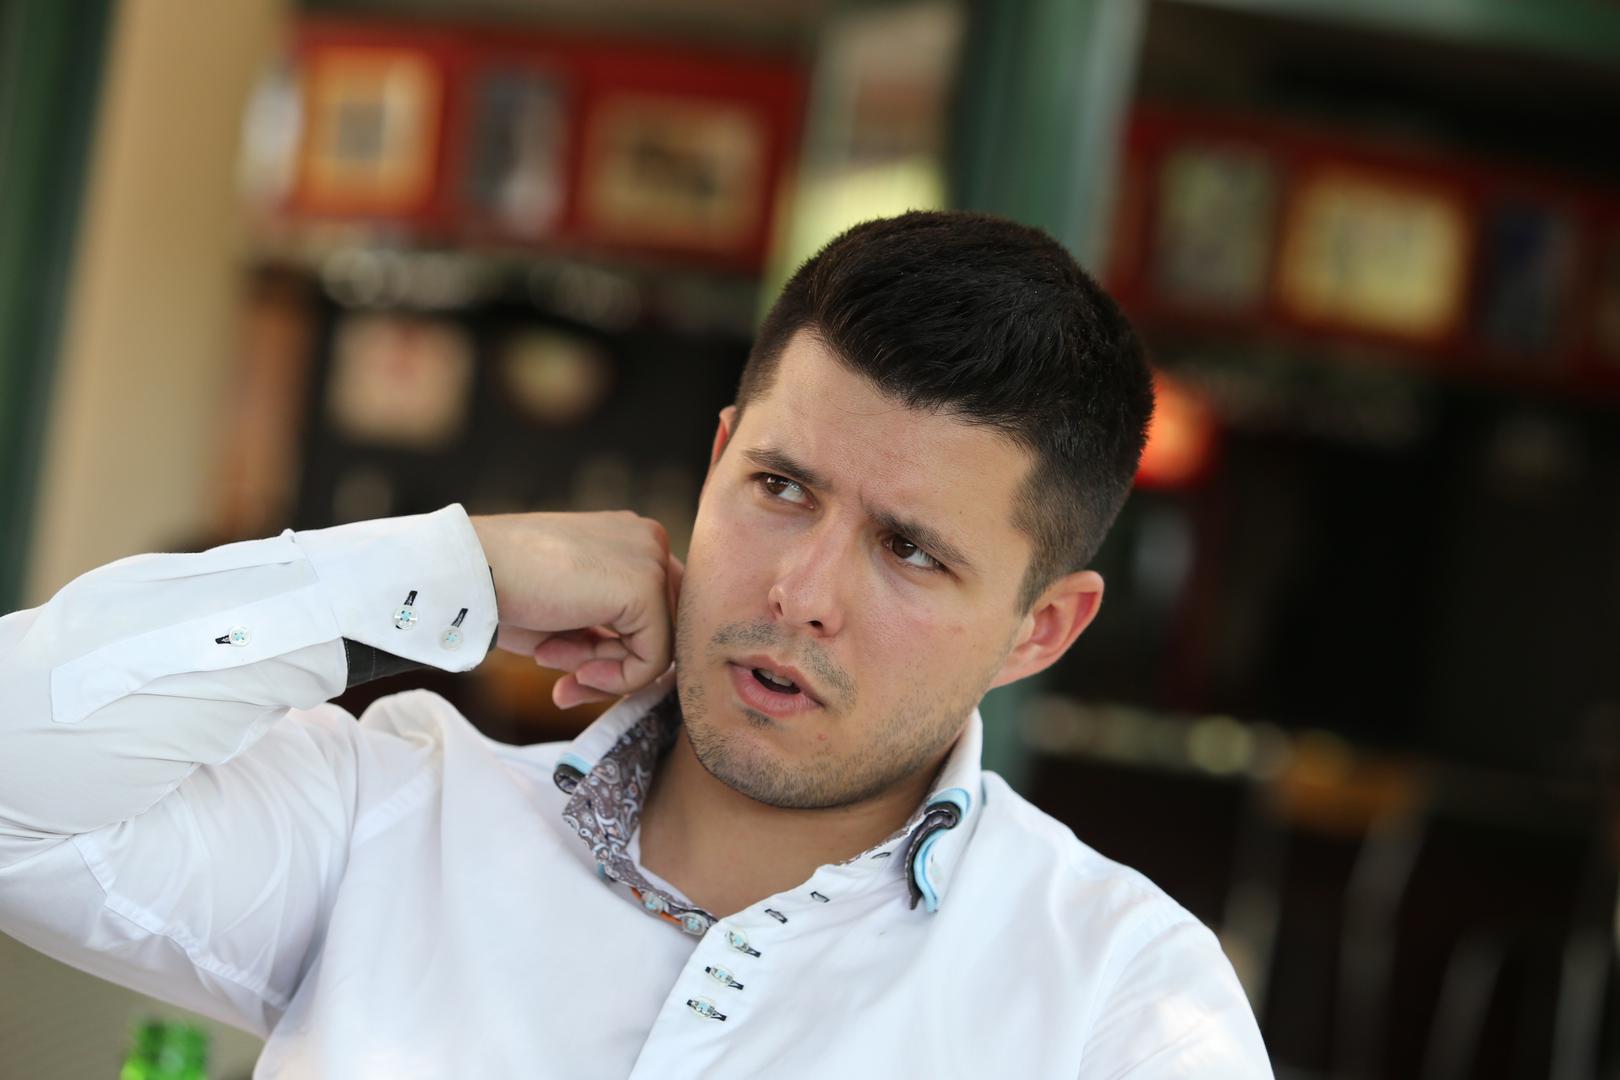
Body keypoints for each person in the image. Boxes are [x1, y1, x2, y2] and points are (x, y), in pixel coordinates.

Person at [0, 211, 1273, 1077]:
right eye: (781, 488)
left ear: (1039, 630)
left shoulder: (1117, 1004)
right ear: (717, 460)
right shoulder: (397, 814)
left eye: (910, 551)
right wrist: (444, 569)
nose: (801, 590)